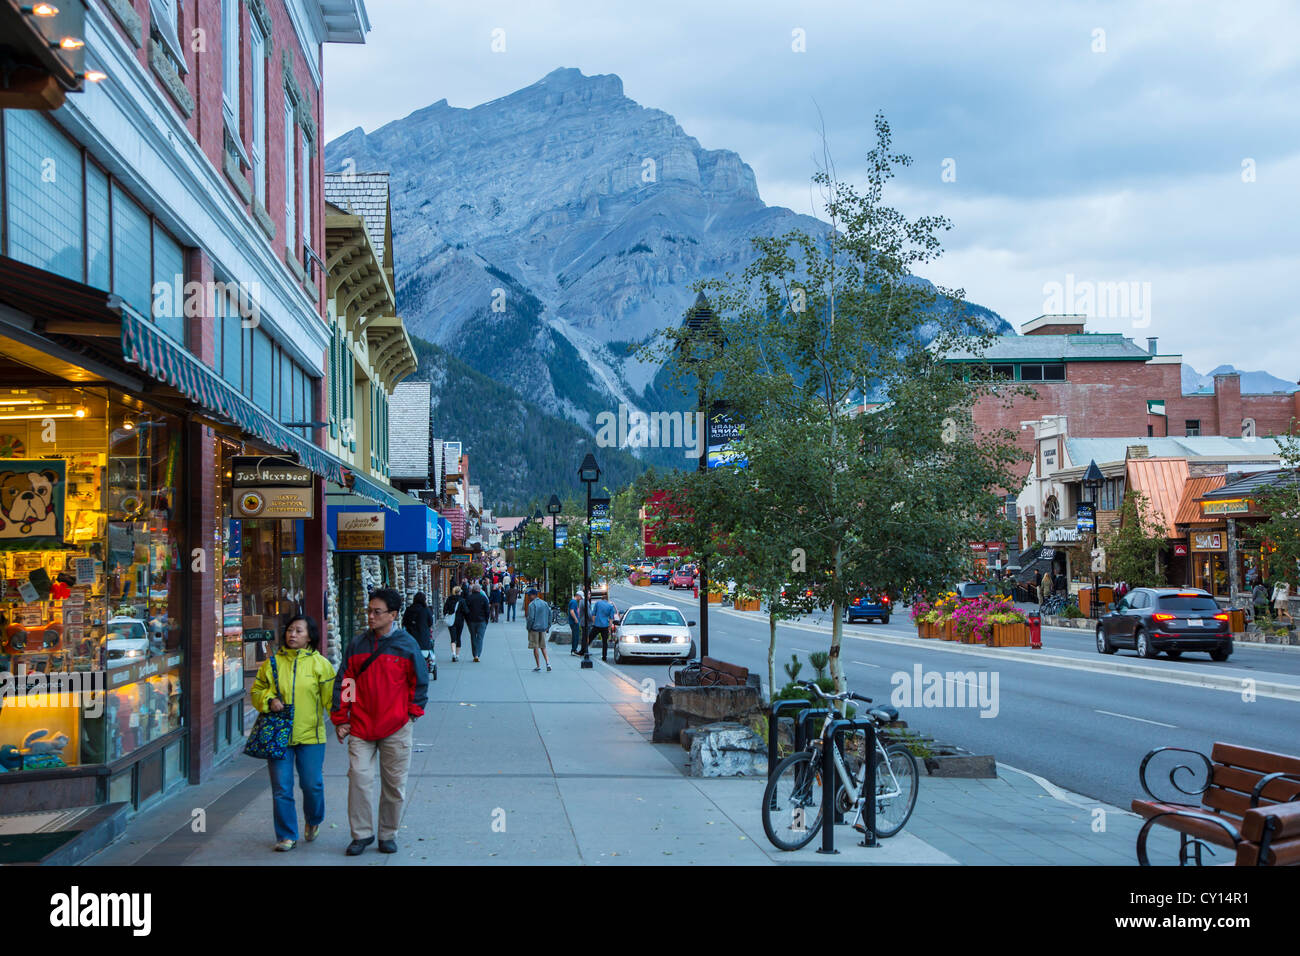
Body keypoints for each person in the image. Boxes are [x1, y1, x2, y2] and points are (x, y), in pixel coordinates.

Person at [331, 588, 428, 856]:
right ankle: (361, 834)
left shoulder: (407, 645)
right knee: (359, 780)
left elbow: (419, 682)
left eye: (377, 612)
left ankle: (388, 834)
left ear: (393, 615)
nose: (371, 616)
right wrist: (342, 717)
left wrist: (411, 714)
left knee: (394, 785)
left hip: (396, 726)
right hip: (361, 727)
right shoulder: (357, 645)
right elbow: (346, 681)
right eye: (369, 611)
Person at [251, 614, 335, 852]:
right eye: (290, 630)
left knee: (312, 785)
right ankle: (286, 835)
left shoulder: (321, 664)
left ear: (310, 636)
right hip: (279, 736)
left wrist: (344, 723)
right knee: (281, 788)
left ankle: (313, 819)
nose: (293, 634)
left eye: (299, 631)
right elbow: (256, 691)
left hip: (312, 736)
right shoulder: (272, 663)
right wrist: (269, 700)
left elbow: (332, 700)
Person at [402, 592, 435, 673]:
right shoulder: (426, 610)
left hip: (411, 638)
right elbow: (430, 622)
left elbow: (404, 622)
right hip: (423, 638)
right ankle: (430, 664)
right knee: (430, 648)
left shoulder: (409, 610)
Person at [525, 591, 552, 672]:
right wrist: (548, 626)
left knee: (535, 647)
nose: (529, 597)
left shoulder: (532, 605)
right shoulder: (545, 603)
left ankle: (538, 665)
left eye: (529, 595)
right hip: (543, 628)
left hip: (534, 628)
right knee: (543, 647)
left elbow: (531, 618)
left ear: (533, 595)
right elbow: (549, 615)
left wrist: (528, 627)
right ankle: (548, 663)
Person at [464, 581, 490, 661]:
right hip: (481, 621)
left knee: (473, 637)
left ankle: (475, 654)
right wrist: (486, 620)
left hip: (471, 621)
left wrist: (467, 619)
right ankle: (477, 654)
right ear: (479, 590)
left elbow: (466, 610)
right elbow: (487, 610)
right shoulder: (483, 598)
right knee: (480, 638)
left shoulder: (469, 598)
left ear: (472, 590)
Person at [443, 586, 467, 662]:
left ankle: (453, 653)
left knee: (453, 638)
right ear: (459, 592)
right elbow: (466, 611)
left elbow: (445, 610)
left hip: (451, 621)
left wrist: (448, 613)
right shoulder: (462, 601)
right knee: (458, 637)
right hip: (459, 621)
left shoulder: (449, 599)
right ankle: (457, 655)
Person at [568, 589, 585, 656]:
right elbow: (572, 611)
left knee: (575, 635)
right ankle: (574, 650)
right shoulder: (574, 602)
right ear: (578, 596)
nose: (581, 599)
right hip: (574, 621)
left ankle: (574, 649)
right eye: (580, 597)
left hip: (573, 621)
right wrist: (576, 619)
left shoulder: (573, 602)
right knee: (576, 636)